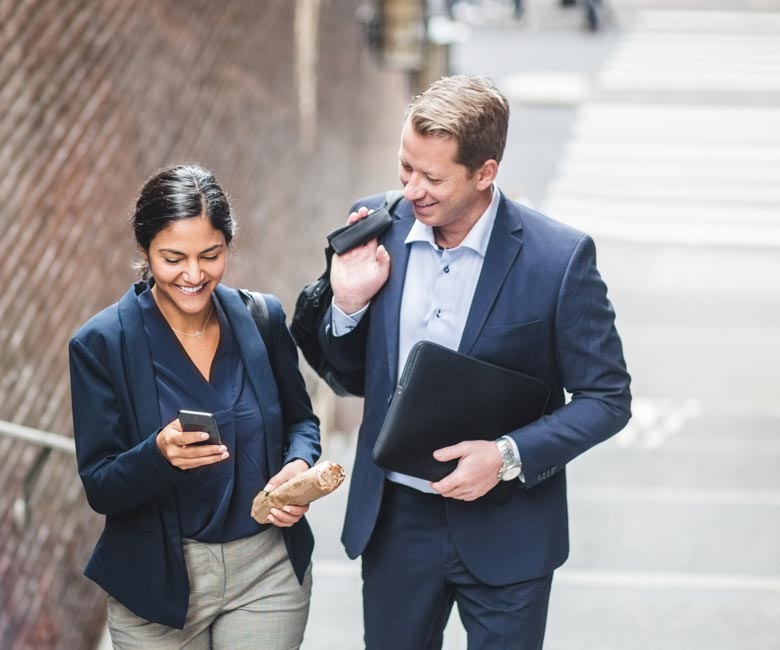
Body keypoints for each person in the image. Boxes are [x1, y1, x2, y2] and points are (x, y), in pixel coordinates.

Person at [319, 76, 631, 649]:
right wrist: (346, 304)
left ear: (485, 173)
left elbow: (607, 399)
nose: (411, 191)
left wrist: (507, 456)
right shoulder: (376, 226)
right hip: (395, 525)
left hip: (508, 527)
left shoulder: (558, 260)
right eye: (405, 168)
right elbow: (344, 374)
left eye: (433, 178)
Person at [69, 164, 320, 649]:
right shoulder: (101, 344)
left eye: (211, 255)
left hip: (266, 571)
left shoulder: (262, 318)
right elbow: (100, 486)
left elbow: (301, 421)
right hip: (158, 579)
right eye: (173, 258)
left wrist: (298, 465)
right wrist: (157, 457)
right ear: (145, 250)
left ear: (228, 245)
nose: (193, 274)